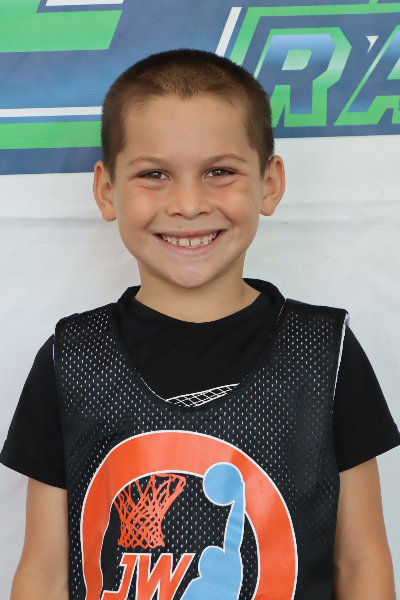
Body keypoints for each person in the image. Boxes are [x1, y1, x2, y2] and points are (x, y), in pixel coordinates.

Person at [1, 49, 399, 600]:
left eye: (219, 172)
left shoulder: (325, 355)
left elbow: (360, 561)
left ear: (269, 183)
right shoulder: (71, 360)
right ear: (107, 189)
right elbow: (45, 573)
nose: (188, 204)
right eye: (154, 174)